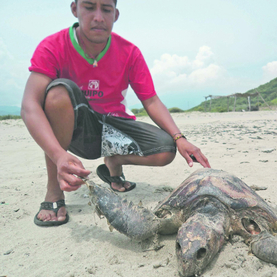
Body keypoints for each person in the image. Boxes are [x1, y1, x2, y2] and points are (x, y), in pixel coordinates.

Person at [21, 0, 210, 227]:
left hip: (114, 125)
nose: (99, 16)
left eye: (106, 9)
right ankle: (54, 191)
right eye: (89, 7)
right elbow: (30, 105)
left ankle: (114, 161)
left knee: (166, 148)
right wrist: (58, 154)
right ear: (75, 9)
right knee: (58, 93)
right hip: (79, 128)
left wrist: (180, 139)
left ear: (116, 14)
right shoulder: (53, 45)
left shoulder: (129, 52)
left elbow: (150, 99)